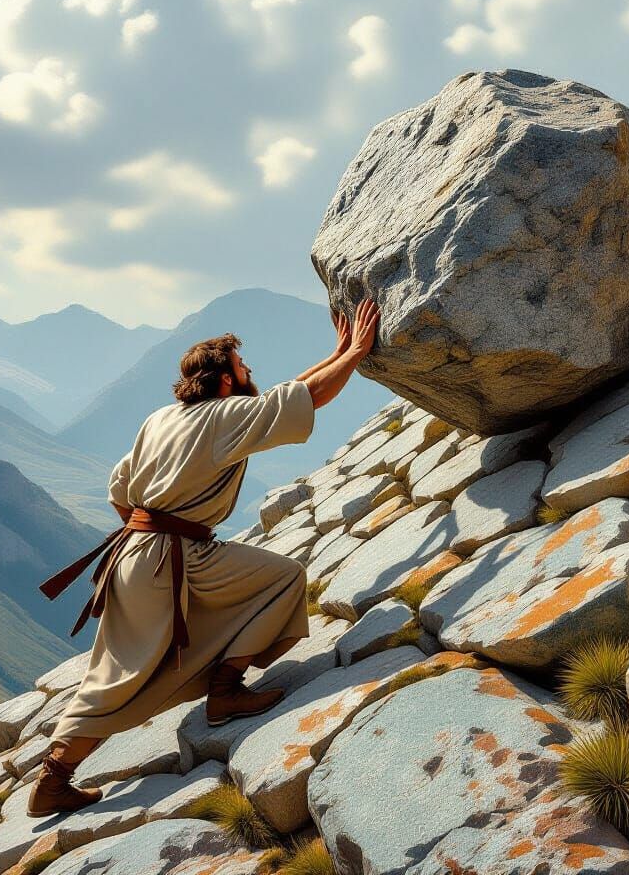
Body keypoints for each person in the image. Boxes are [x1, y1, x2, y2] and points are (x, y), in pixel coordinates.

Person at [27, 297, 380, 818]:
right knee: (283, 579)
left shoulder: (162, 419)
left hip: (132, 555)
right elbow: (308, 396)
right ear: (224, 381)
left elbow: (119, 491)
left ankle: (54, 779)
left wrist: (338, 353)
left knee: (113, 673)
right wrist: (355, 354)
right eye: (242, 367)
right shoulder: (224, 417)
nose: (250, 372)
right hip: (170, 559)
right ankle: (224, 691)